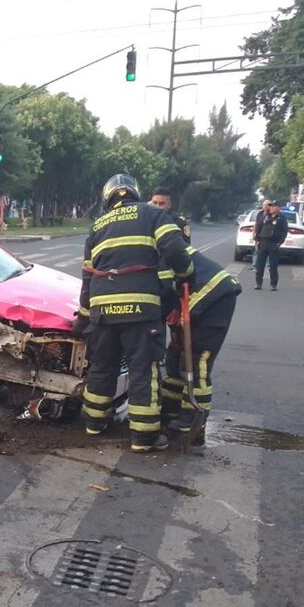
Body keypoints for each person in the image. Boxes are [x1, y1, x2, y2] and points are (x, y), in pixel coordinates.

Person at [73, 174, 192, 453]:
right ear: (135, 193)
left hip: (102, 313)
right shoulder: (152, 214)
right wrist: (187, 274)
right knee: (143, 371)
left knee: (102, 367)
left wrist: (83, 317)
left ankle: (94, 423)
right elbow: (175, 249)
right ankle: (143, 437)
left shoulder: (97, 226)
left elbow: (87, 278)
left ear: (107, 197)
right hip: (140, 311)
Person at [156, 246, 241, 446]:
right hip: (189, 300)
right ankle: (171, 410)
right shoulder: (147, 250)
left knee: (196, 361)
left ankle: (193, 418)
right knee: (174, 358)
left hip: (214, 298)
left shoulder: (159, 252)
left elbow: (164, 293)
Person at [253, 200, 287, 291]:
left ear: (278, 208)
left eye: (273, 206)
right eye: (270, 206)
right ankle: (258, 283)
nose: (271, 208)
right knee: (259, 265)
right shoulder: (265, 216)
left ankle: (273, 284)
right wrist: (257, 239)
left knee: (273, 266)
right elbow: (259, 227)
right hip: (263, 242)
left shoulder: (281, 218)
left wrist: (279, 243)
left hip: (273, 244)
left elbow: (284, 232)